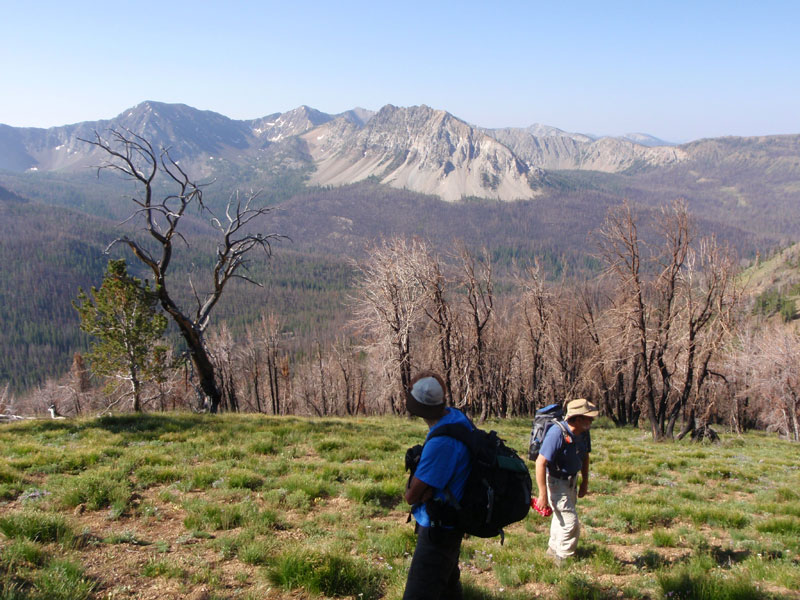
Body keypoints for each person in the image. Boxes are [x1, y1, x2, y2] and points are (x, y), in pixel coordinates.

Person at [403, 371, 472, 600]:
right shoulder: (455, 417)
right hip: (451, 522)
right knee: (447, 588)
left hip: (439, 529)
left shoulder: (441, 443)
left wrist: (420, 486)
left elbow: (412, 496)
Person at [534, 398, 598, 564]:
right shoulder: (556, 433)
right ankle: (564, 560)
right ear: (577, 418)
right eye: (588, 418)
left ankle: (553, 550)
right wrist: (543, 495)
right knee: (570, 522)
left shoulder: (583, 433)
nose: (591, 421)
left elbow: (585, 456)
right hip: (556, 481)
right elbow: (540, 462)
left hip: (572, 481)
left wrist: (584, 482)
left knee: (560, 517)